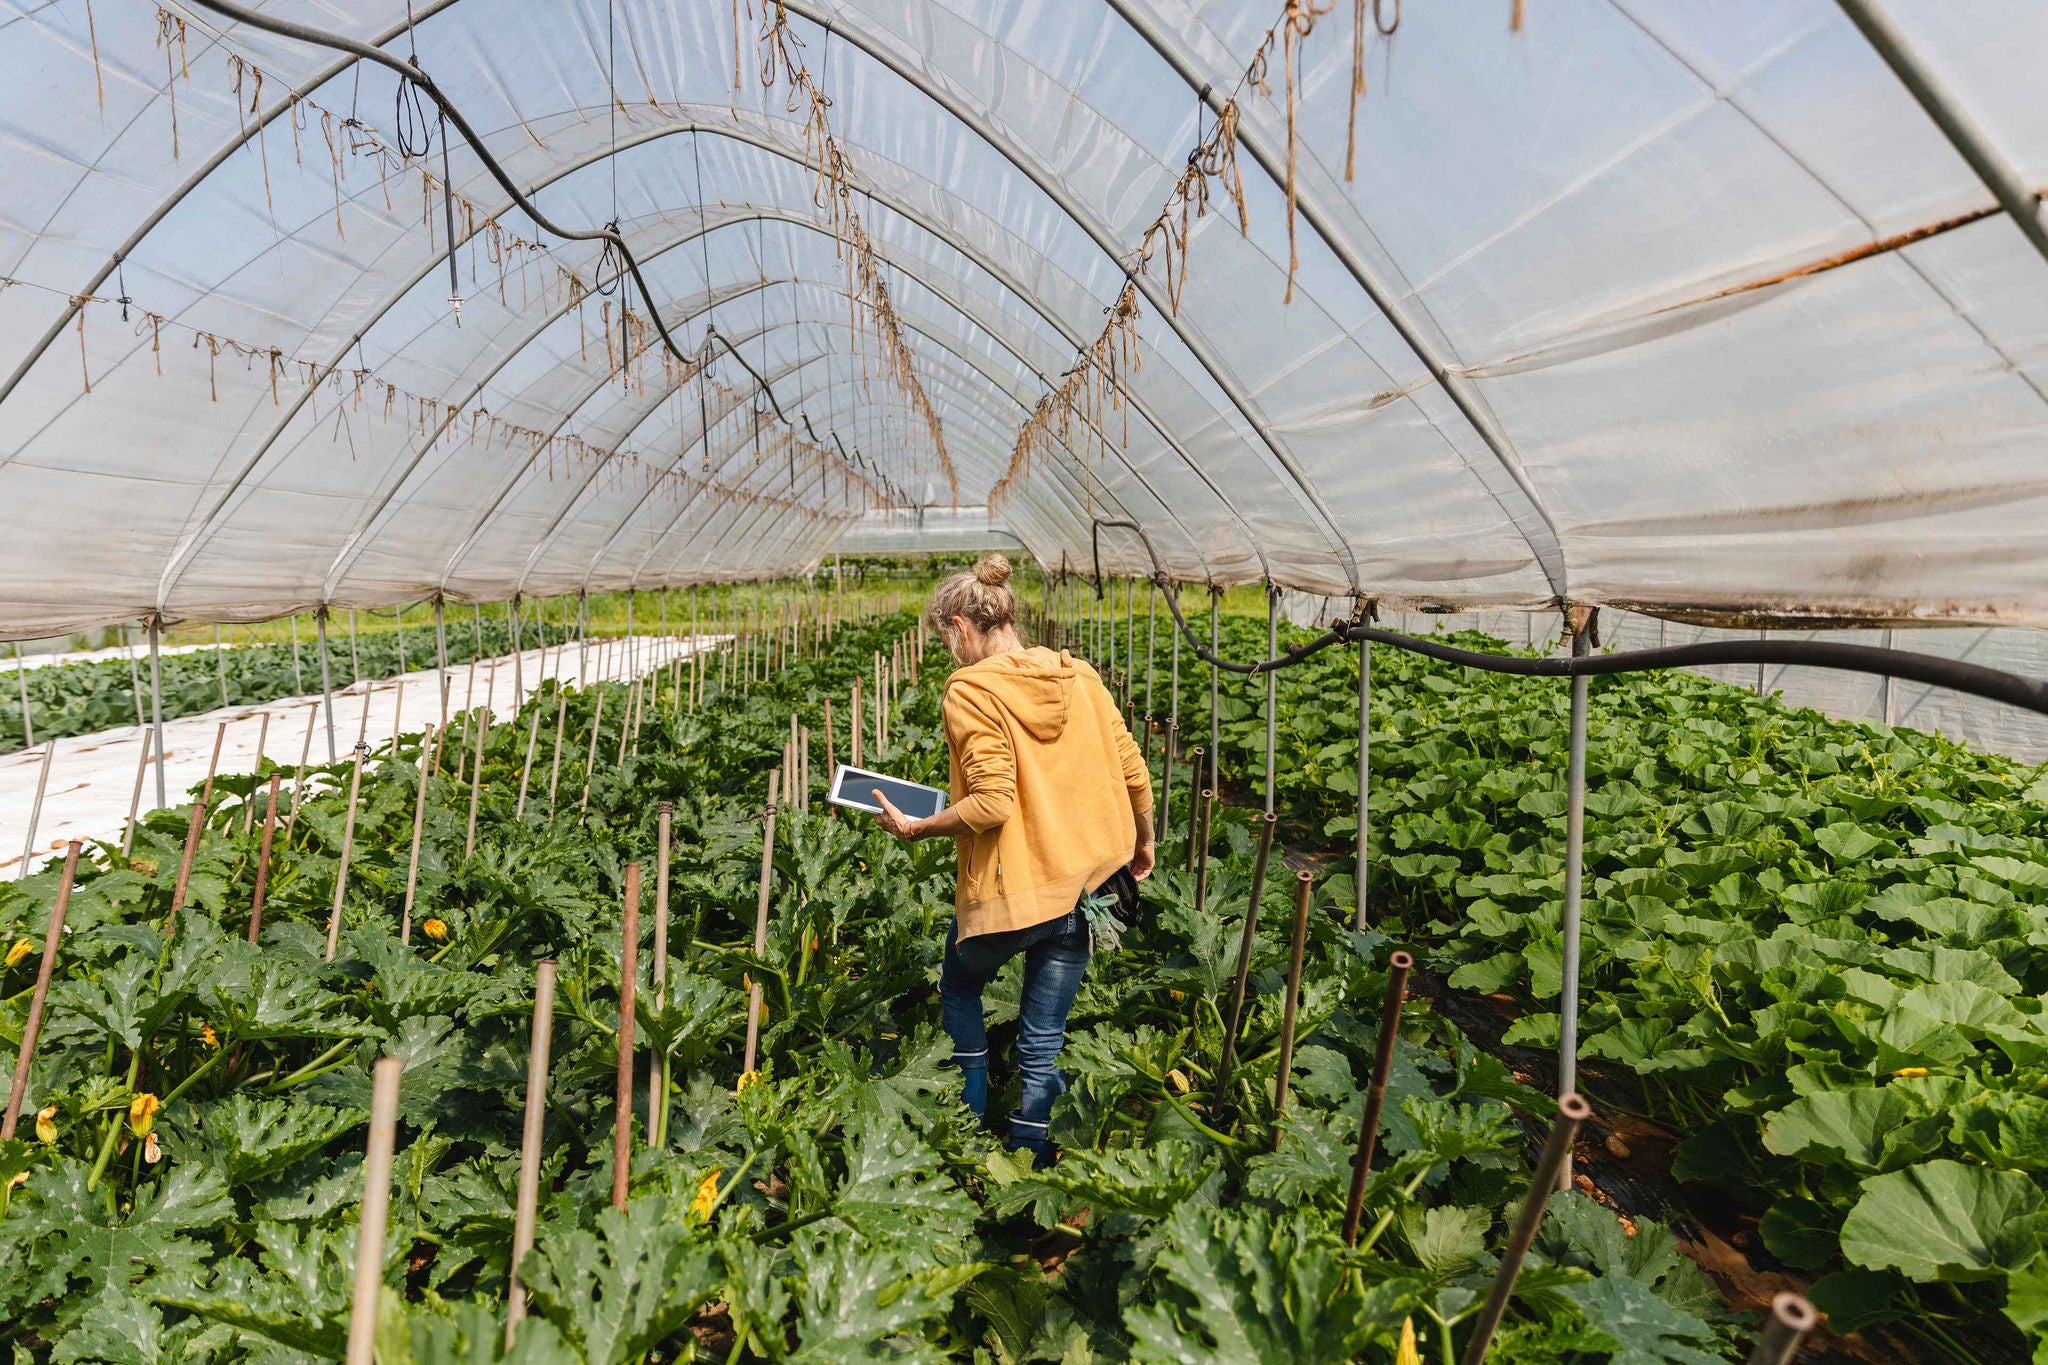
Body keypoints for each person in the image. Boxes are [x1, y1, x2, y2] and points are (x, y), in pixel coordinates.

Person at [871, 554, 1155, 1165]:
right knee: (1043, 1037)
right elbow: (1133, 770)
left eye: (946, 639)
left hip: (1014, 893)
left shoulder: (970, 691)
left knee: (959, 986)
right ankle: (1030, 1158)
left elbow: (993, 803)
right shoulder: (1079, 676)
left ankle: (967, 1123)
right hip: (1086, 890)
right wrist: (1145, 838)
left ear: (961, 625)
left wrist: (917, 826)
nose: (950, 652)